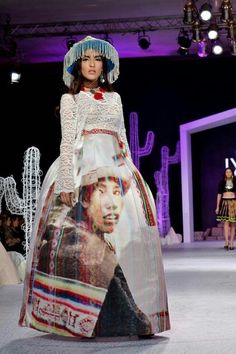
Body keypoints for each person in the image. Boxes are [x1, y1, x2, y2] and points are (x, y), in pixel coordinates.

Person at [19, 36, 170, 338]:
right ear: (77, 65)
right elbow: (67, 141)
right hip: (83, 168)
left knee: (127, 239)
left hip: (115, 167)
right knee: (81, 244)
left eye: (97, 59)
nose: (91, 64)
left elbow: (123, 137)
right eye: (86, 59)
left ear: (103, 65)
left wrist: (131, 171)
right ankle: (76, 315)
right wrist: (66, 180)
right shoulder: (70, 99)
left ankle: (130, 310)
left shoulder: (114, 98)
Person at [216, 167, 236, 250]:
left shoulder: (235, 181)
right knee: (226, 223)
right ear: (225, 173)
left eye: (230, 172)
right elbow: (219, 195)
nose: (228, 173)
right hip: (224, 203)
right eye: (227, 172)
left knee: (233, 223)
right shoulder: (222, 182)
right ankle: (226, 241)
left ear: (232, 173)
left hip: (233, 203)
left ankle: (232, 242)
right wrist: (217, 206)